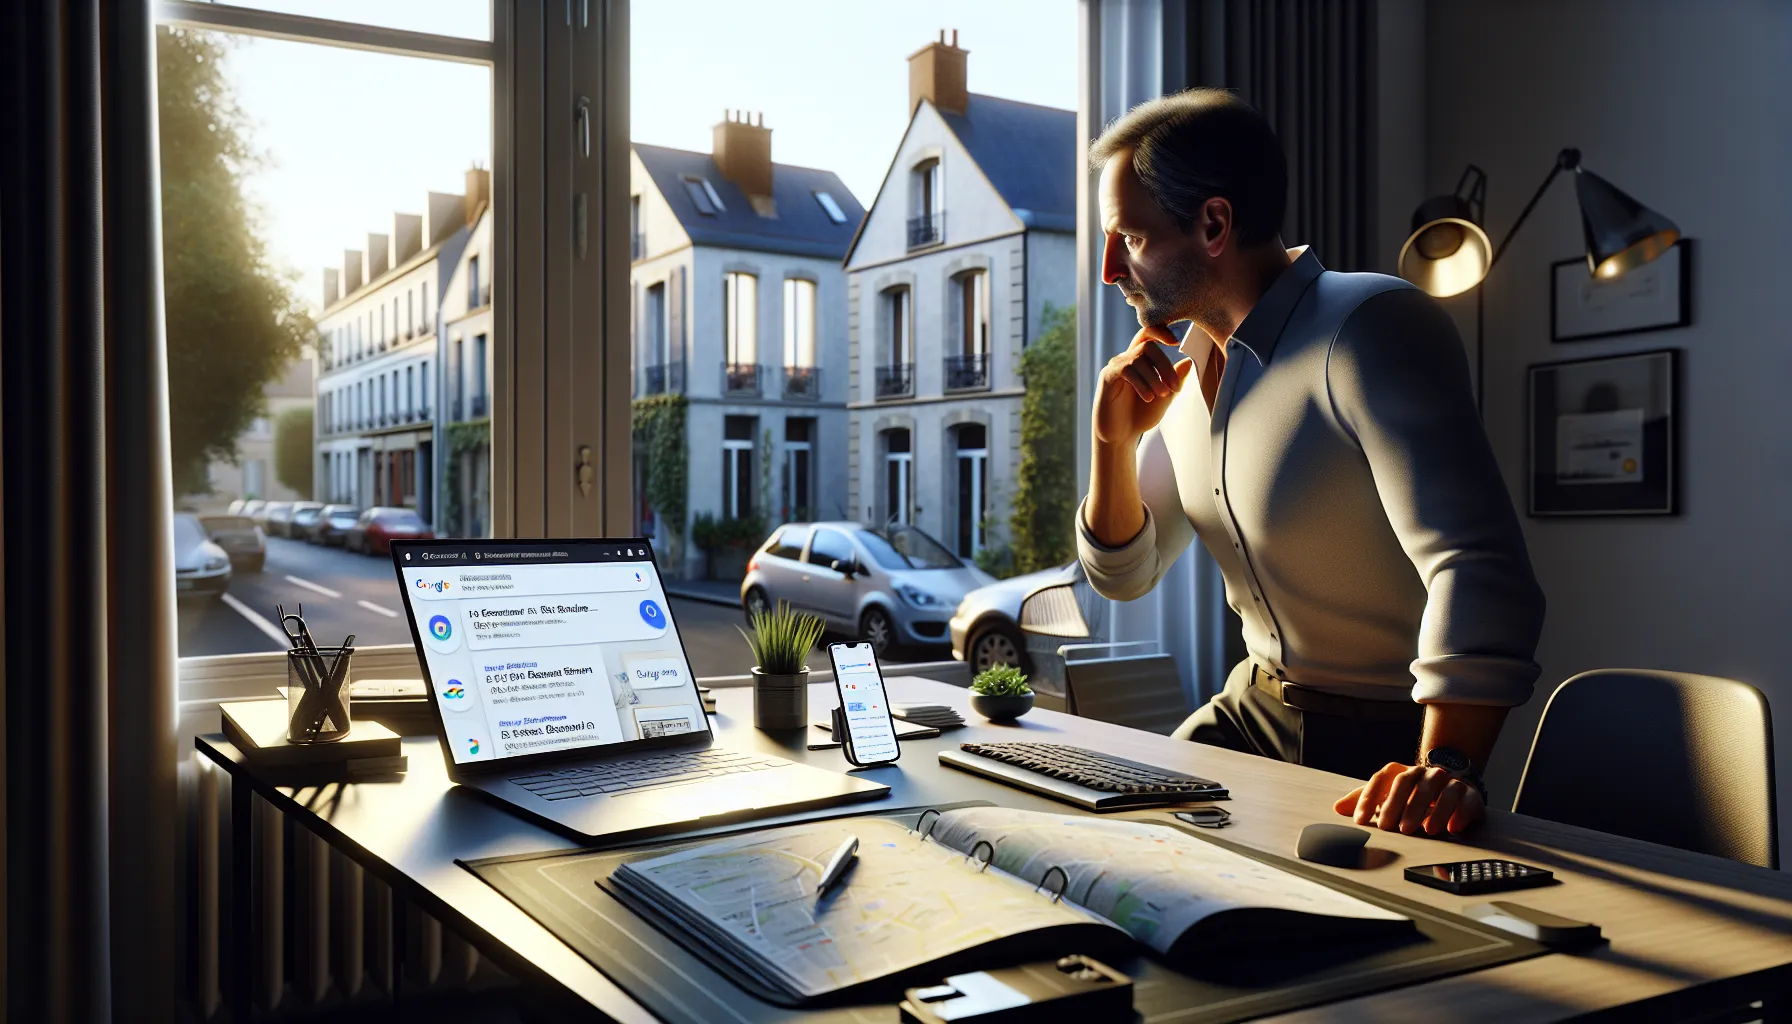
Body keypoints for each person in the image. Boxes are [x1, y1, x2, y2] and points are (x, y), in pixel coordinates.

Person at [1077, 89, 1545, 838]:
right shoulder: (1184, 372)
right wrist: (1113, 445)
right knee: (1110, 855)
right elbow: (1124, 578)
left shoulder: (1371, 327)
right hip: (1246, 713)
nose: (1108, 270)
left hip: (1386, 743)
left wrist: (1447, 766)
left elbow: (1479, 563)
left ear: (1214, 224)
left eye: (1127, 238)